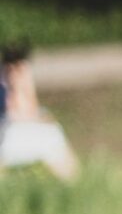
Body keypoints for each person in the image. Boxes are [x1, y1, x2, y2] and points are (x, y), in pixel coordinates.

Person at [0, 43, 81, 181]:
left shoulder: (12, 78)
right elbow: (18, 109)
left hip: (20, 126)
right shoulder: (15, 77)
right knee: (54, 136)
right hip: (17, 128)